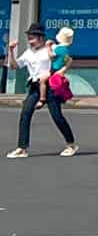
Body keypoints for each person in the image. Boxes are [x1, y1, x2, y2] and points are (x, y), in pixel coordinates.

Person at [7, 22, 78, 158]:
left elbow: (69, 60)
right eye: (29, 38)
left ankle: (71, 144)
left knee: (56, 116)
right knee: (25, 114)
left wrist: (58, 72)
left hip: (50, 86)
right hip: (35, 86)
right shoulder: (28, 53)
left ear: (40, 37)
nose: (30, 41)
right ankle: (22, 148)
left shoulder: (52, 48)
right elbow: (15, 66)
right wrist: (10, 50)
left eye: (32, 38)